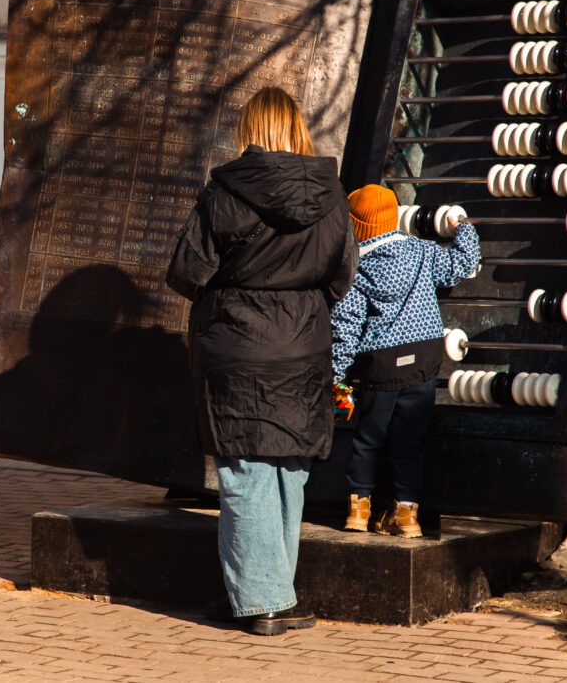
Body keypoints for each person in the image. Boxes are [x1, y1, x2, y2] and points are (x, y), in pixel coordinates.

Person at [166, 86, 356, 636]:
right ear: (298, 127)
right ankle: (263, 592)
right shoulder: (332, 196)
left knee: (245, 472)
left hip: (236, 346)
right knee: (287, 470)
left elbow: (187, 270)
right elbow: (342, 277)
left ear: (250, 128)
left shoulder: (223, 192)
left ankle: (260, 601)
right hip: (301, 346)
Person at [331, 184, 480, 538]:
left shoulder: (355, 271)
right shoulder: (422, 251)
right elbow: (463, 262)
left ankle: (358, 510)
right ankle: (407, 516)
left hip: (379, 367)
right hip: (423, 362)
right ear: (394, 218)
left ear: (356, 226)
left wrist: (335, 375)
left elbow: (345, 327)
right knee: (409, 442)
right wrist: (463, 224)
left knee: (369, 439)